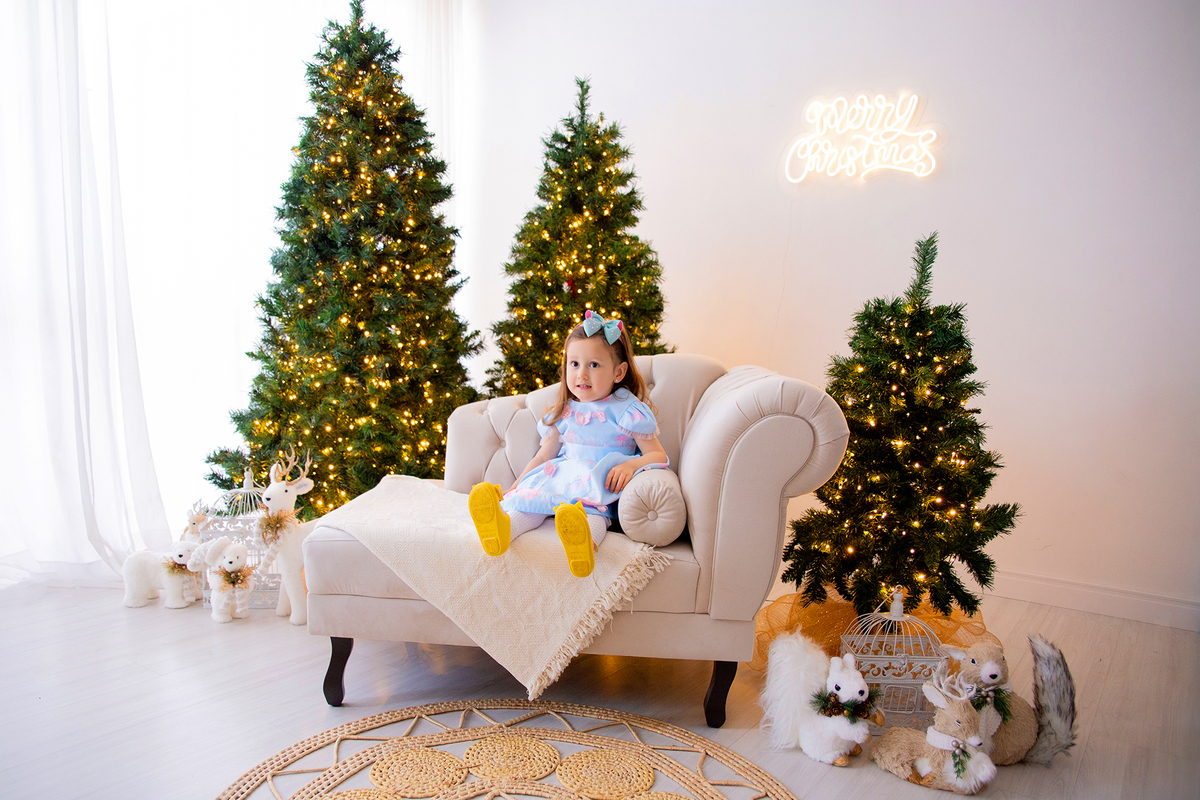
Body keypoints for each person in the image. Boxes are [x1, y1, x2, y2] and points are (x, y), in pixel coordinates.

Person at [468, 312, 668, 577]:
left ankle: (583, 543)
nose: (581, 374)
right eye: (574, 364)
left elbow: (658, 454)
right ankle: (502, 529)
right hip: (560, 478)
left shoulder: (627, 410)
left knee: (594, 514)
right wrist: (518, 485)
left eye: (594, 365)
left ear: (618, 372)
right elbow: (542, 457)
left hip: (599, 483)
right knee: (529, 504)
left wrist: (632, 465)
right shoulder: (564, 412)